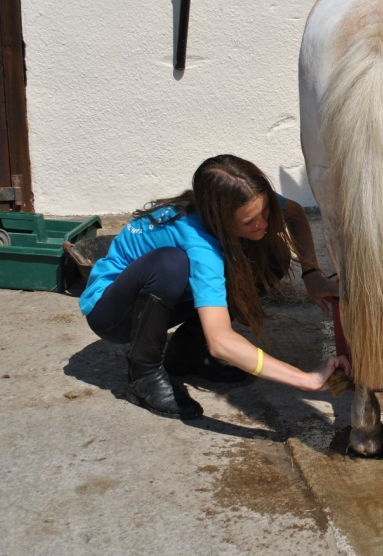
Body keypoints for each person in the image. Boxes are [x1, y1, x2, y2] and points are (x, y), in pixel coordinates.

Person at [79, 154, 347, 420]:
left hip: (162, 296)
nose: (263, 223)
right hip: (113, 312)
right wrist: (306, 379)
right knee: (170, 264)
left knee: (271, 257)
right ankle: (143, 374)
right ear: (218, 218)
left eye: (264, 212)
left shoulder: (248, 202)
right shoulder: (200, 244)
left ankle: (187, 352)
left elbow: (296, 213)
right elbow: (221, 341)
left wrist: (311, 273)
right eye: (249, 221)